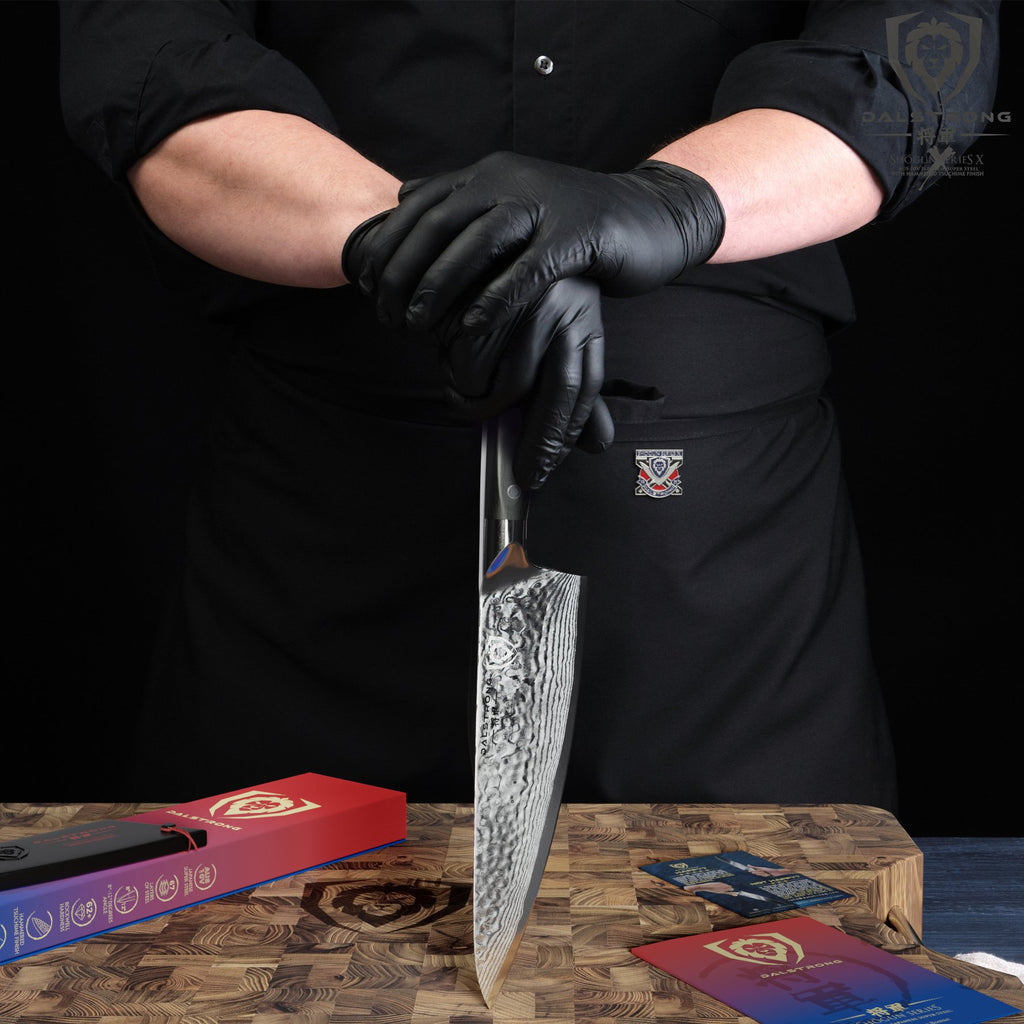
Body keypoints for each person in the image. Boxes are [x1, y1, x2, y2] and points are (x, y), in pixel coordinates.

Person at [58, 2, 999, 805]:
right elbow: (147, 57)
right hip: (317, 545)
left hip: (721, 578)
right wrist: (428, 246)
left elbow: (925, 52)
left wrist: (671, 205)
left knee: (766, 976)